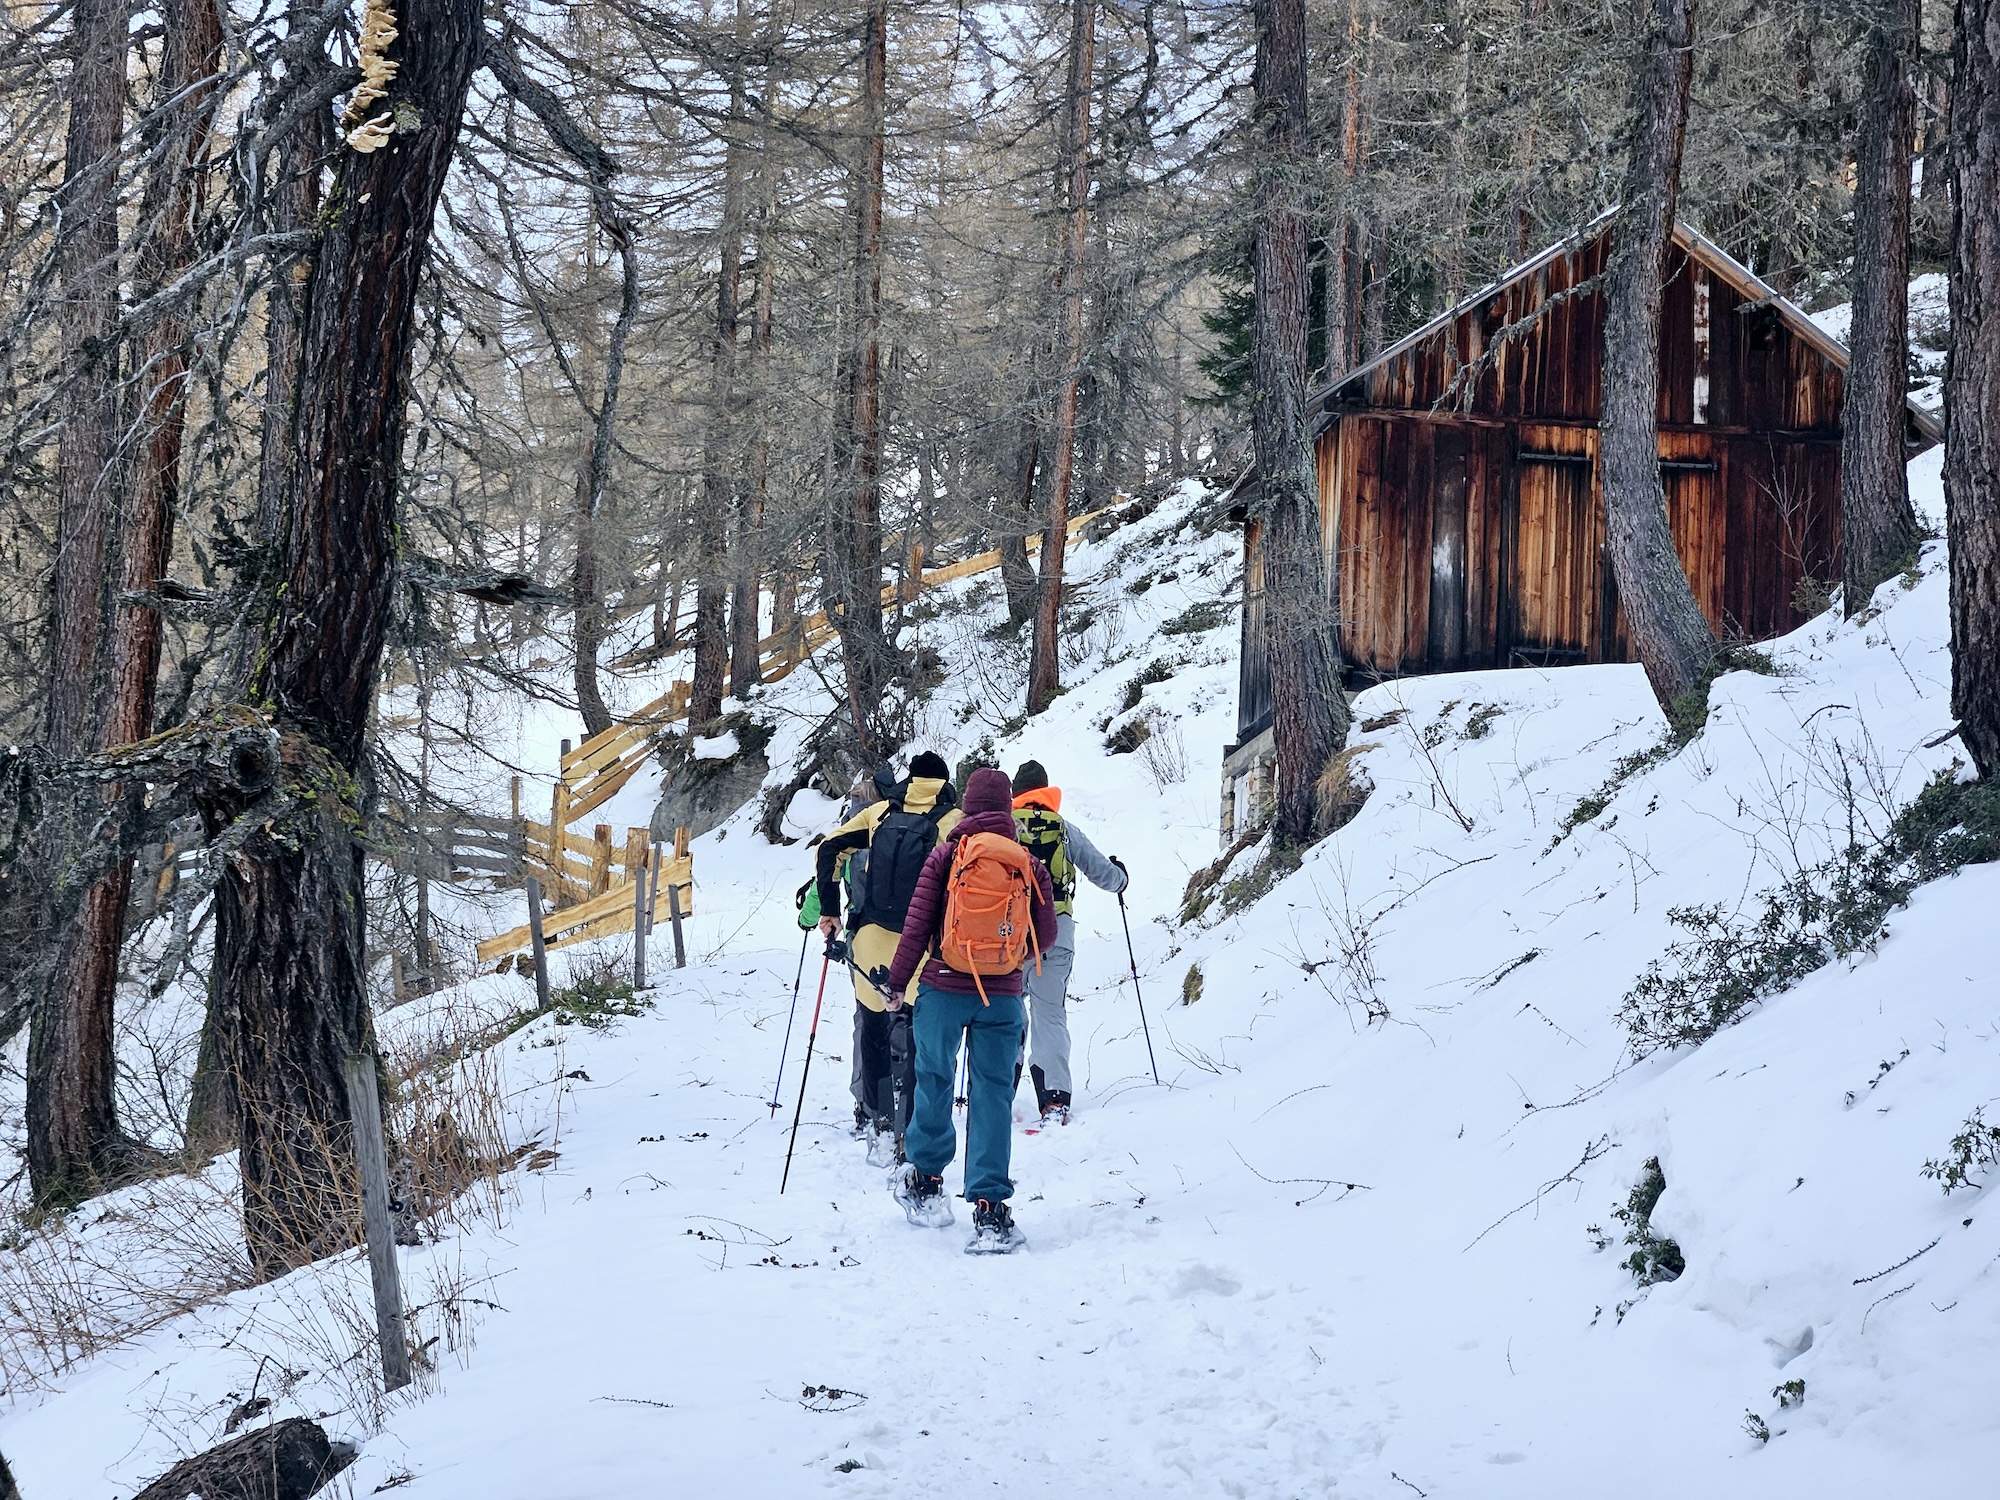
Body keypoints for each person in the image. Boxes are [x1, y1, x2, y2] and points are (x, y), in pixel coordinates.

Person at [884, 767, 1057, 1253]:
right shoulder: (1027, 862)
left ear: (966, 806)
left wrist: (898, 985)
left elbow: (916, 927)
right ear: (1006, 809)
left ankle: (926, 1184)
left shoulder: (947, 855)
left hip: (942, 988)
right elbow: (1046, 937)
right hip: (1001, 996)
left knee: (934, 1078)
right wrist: (1008, 963)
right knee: (993, 1095)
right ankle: (990, 1210)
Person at [813, 752, 960, 1166]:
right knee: (918, 1037)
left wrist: (830, 911)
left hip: (872, 939)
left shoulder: (879, 813)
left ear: (909, 780)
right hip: (921, 945)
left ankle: (878, 1118)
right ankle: (908, 1131)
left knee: (873, 1027)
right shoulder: (952, 823)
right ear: (945, 782)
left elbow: (829, 851)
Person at [1009, 759, 1128, 1126]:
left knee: (1008, 1013)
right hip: (1055, 935)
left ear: (1015, 793)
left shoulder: (1005, 828)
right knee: (1050, 1014)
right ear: (1046, 790)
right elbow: (1103, 875)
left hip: (1008, 936)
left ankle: (999, 1090)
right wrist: (1121, 877)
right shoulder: (1063, 829)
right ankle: (1055, 1098)